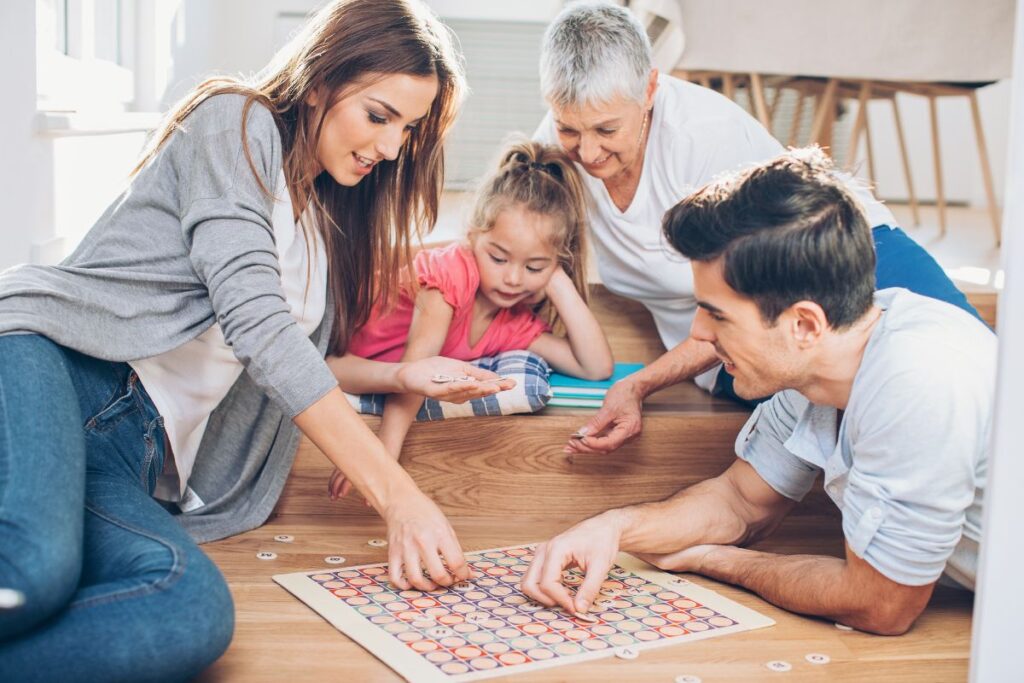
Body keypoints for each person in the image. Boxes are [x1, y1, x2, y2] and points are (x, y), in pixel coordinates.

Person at [0, 1, 509, 679]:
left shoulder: (322, 219)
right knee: (35, 566)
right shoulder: (235, 123)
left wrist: (399, 377)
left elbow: (284, 363)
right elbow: (256, 324)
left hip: (126, 451)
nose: (390, 147)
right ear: (323, 80)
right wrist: (398, 495)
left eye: (406, 129)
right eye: (379, 115)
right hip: (51, 367)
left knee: (187, 611)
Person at [520, 149, 993, 635]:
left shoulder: (920, 378)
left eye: (717, 313)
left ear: (803, 323)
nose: (699, 334)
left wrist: (714, 561)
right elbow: (740, 502)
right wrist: (613, 528)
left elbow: (879, 605)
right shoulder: (819, 365)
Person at [532, 1, 983, 454]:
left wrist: (641, 384)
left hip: (851, 250)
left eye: (607, 130)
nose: (587, 153)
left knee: (981, 382)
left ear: (649, 89)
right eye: (570, 129)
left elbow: (751, 297)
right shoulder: (551, 149)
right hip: (735, 340)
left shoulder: (705, 137)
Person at [329, 140, 614, 498]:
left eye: (534, 266)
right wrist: (383, 456)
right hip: (336, 362)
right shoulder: (454, 272)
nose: (513, 278)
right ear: (473, 238)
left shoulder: (513, 321)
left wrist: (557, 279)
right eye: (498, 258)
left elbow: (596, 367)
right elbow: (420, 367)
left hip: (380, 375)